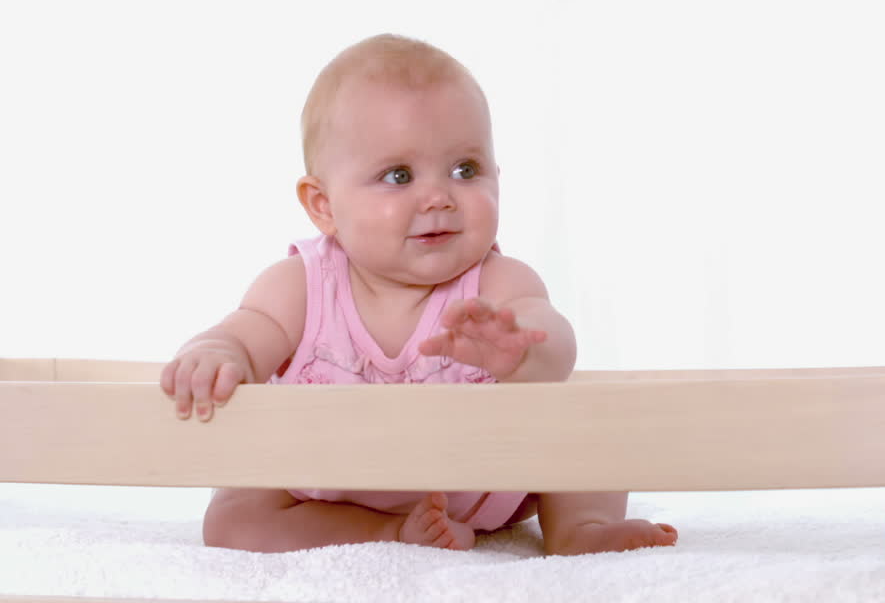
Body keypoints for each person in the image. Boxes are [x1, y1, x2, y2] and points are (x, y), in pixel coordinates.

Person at [159, 33, 678, 556]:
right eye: (398, 175)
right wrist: (217, 353)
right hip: (333, 485)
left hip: (480, 483)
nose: (438, 197)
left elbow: (558, 348)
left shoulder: (496, 283)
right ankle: (389, 532)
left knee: (585, 418)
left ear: (497, 177)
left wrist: (522, 350)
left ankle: (581, 526)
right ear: (323, 206)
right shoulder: (300, 286)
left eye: (464, 170)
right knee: (232, 517)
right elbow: (243, 339)